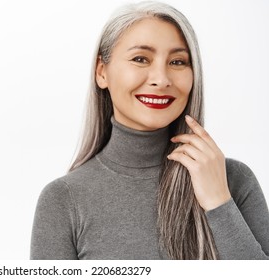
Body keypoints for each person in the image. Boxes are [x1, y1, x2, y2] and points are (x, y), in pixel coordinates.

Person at [30, 1, 269, 260]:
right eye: (140, 59)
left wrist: (219, 204)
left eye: (177, 62)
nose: (161, 79)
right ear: (102, 72)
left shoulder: (233, 180)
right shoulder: (63, 200)